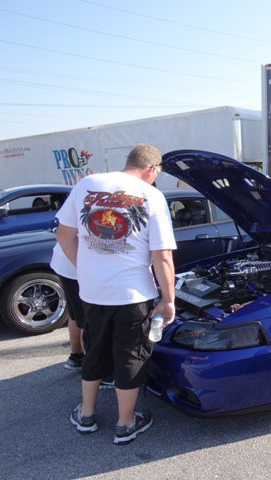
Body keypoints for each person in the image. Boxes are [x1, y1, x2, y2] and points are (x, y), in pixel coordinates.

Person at [56, 144, 176, 445]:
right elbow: (162, 256)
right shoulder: (152, 195)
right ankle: (125, 424)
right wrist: (168, 299)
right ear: (152, 169)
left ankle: (86, 415)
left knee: (94, 349)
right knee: (130, 356)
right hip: (133, 294)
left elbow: (63, 235)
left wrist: (85, 269)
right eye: (157, 173)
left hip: (93, 292)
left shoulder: (87, 183)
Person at [50, 242, 85, 370]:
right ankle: (92, 367)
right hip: (78, 265)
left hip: (66, 263)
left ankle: (76, 357)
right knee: (87, 320)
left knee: (75, 313)